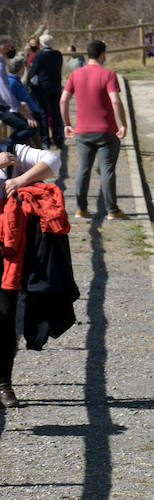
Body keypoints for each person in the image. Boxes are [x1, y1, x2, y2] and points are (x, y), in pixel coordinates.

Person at [0, 139, 62, 408]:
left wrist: (20, 179)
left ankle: (4, 384)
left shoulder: (11, 149)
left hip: (8, 250)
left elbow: (53, 160)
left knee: (5, 316)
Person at [60, 40, 128, 219]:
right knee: (107, 169)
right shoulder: (108, 75)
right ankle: (112, 210)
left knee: (83, 168)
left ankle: (81, 209)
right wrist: (123, 124)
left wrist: (67, 123)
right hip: (106, 130)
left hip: (82, 131)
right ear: (102, 54)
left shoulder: (75, 74)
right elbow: (115, 100)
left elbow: (63, 100)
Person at [26, 32, 64, 151]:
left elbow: (31, 73)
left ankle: (45, 140)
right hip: (56, 86)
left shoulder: (39, 56)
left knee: (43, 113)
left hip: (42, 88)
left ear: (41, 44)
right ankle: (59, 139)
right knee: (56, 112)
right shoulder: (58, 54)